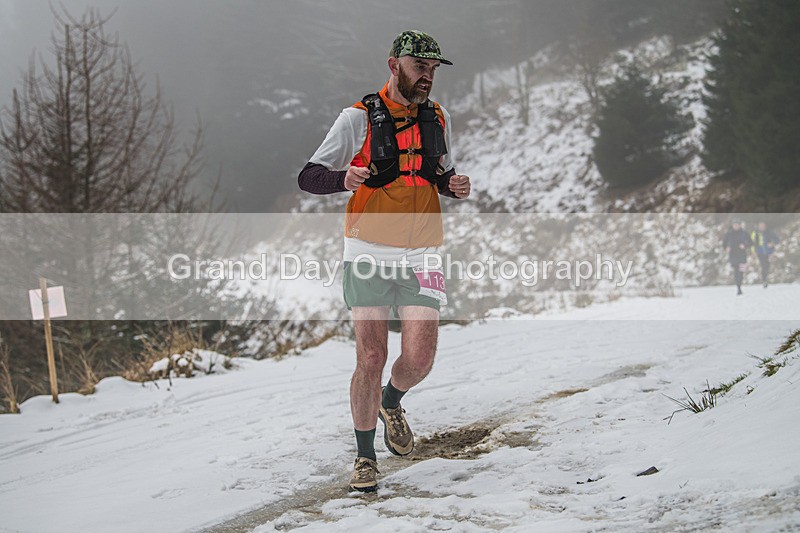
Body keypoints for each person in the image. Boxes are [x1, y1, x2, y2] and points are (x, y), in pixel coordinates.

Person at [297, 30, 471, 492]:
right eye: (420, 68)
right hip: (368, 252)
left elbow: (436, 171)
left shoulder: (438, 116)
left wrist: (451, 184)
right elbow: (308, 176)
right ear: (394, 64)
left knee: (419, 359)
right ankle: (365, 456)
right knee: (371, 356)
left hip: (424, 252)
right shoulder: (356, 119)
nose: (428, 77)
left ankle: (391, 401)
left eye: (434, 69)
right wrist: (344, 177)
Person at [722, 221, 752, 295]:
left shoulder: (744, 233)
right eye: (734, 225)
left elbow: (751, 242)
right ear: (732, 225)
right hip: (733, 254)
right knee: (736, 270)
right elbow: (724, 243)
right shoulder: (729, 234)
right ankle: (738, 287)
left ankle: (740, 284)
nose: (736, 226)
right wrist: (726, 248)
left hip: (742, 254)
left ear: (739, 225)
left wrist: (744, 245)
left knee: (741, 271)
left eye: (737, 225)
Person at [751, 222, 779, 287]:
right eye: (760, 226)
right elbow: (752, 243)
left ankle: (765, 277)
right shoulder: (755, 233)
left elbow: (777, 240)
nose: (762, 227)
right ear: (758, 226)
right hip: (760, 252)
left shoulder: (769, 232)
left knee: (767, 266)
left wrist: (772, 243)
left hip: (769, 252)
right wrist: (753, 252)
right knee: (763, 265)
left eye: (763, 226)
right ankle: (764, 280)